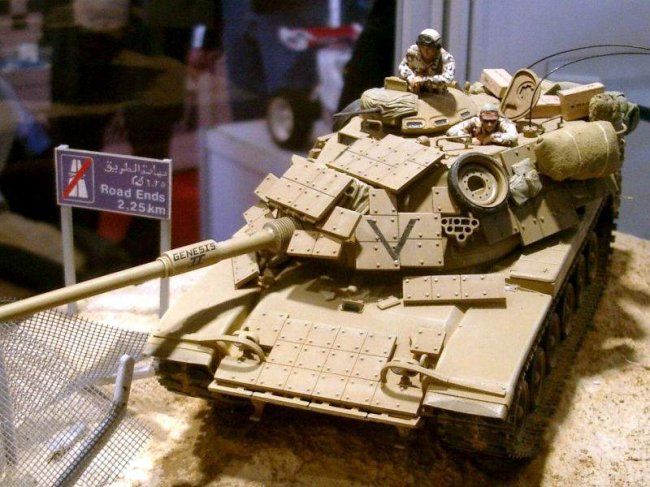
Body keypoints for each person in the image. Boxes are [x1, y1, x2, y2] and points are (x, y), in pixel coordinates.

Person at [398, 28, 455, 94]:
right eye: (422, 47)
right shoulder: (413, 52)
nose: (425, 51)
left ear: (437, 48)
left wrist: (423, 80)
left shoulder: (446, 58)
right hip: (415, 90)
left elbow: (448, 79)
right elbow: (402, 66)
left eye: (429, 48)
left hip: (437, 93)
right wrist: (411, 78)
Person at [447, 103, 518, 146]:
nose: (489, 124)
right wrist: (469, 140)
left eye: (493, 121)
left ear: (498, 118)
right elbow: (451, 131)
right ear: (480, 118)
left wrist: (490, 138)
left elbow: (513, 136)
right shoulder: (475, 121)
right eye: (486, 121)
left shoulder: (503, 122)